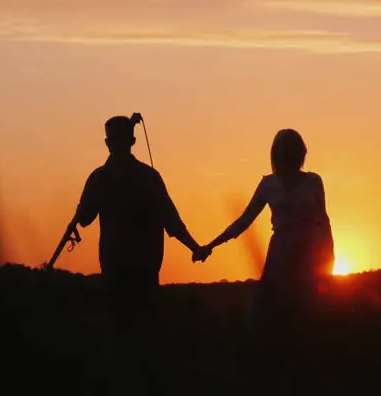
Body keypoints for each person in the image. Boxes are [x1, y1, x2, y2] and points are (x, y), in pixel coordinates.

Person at [195, 128, 335, 329]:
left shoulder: (314, 181)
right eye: (283, 150)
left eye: (292, 150)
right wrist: (211, 245)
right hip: (280, 253)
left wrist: (329, 255)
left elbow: (323, 221)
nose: (288, 155)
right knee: (272, 312)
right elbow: (244, 220)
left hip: (308, 254)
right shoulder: (268, 184)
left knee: (308, 312)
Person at [72, 115, 209, 320]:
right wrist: (195, 247)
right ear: (110, 143)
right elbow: (84, 218)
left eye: (120, 139)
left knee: (134, 328)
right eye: (115, 140)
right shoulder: (105, 178)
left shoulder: (138, 177)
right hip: (121, 269)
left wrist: (194, 247)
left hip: (137, 269)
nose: (117, 145)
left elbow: (170, 219)